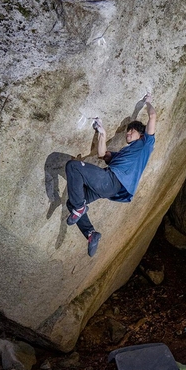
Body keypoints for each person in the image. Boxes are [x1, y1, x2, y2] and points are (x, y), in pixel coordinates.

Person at [65, 94, 156, 257]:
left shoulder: (145, 145)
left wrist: (147, 102)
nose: (128, 134)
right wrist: (102, 132)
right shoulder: (123, 153)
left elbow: (153, 116)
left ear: (141, 135)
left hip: (112, 181)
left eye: (132, 131)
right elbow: (102, 154)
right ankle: (91, 234)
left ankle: (80, 208)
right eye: (127, 132)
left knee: (73, 167)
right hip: (107, 187)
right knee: (71, 202)